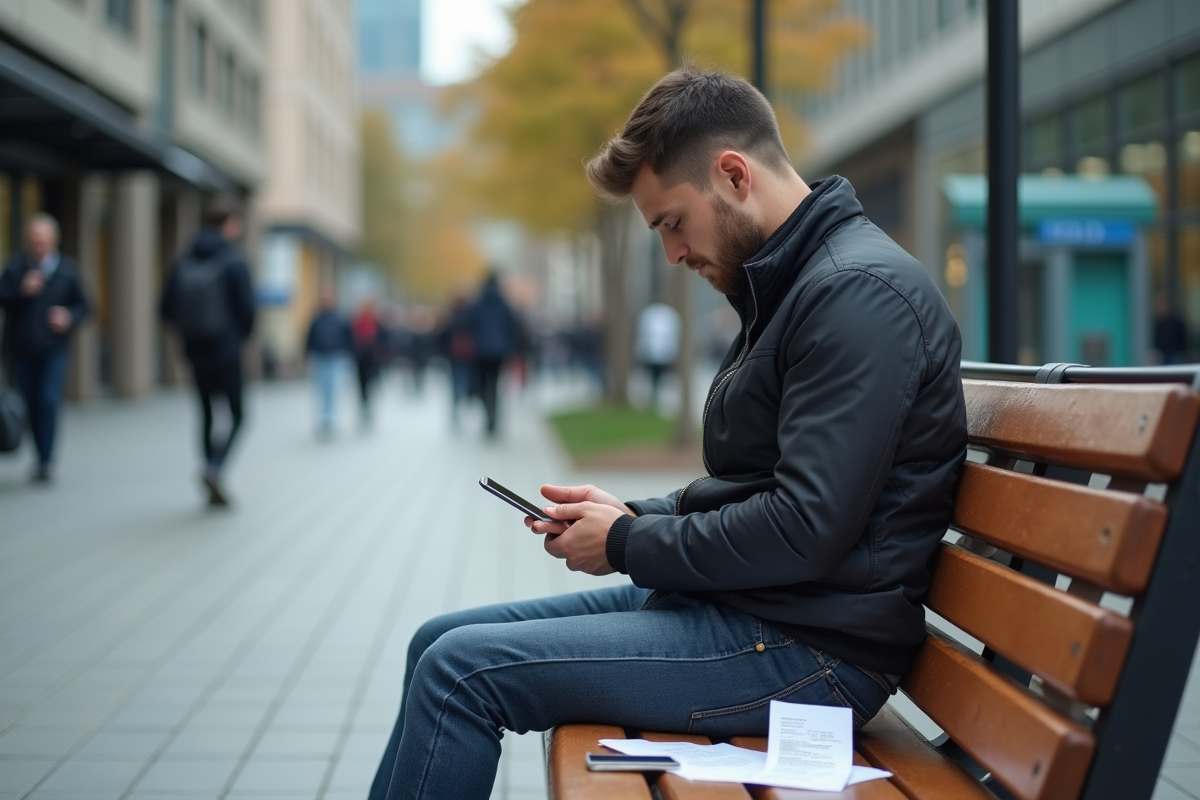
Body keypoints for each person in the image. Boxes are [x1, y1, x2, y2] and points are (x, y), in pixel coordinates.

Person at [368, 68, 967, 800]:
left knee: (459, 675)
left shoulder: (854, 295)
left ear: (734, 174)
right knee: (436, 642)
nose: (673, 255)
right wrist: (632, 516)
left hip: (811, 656)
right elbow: (763, 488)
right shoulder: (792, 286)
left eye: (672, 223)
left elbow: (806, 526)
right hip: (760, 614)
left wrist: (624, 544)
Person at [160, 195, 256, 507]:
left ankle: (207, 469)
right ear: (229, 224)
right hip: (226, 352)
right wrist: (238, 336)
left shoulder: (184, 259)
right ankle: (215, 468)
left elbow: (165, 308)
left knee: (206, 414)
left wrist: (189, 334)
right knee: (238, 414)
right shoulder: (234, 260)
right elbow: (248, 310)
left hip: (195, 351)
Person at [0, 214, 90, 482]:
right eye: (34, 241)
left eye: (43, 241)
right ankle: (39, 453)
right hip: (21, 348)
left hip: (53, 349)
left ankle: (46, 460)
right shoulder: (16, 268)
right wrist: (20, 290)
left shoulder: (67, 271)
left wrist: (68, 317)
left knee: (48, 400)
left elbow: (85, 307)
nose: (38, 246)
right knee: (30, 401)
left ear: (54, 241)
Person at [465, 272, 521, 438]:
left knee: (482, 385)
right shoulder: (504, 304)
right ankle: (493, 415)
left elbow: (469, 324)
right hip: (500, 351)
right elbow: (511, 326)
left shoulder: (477, 303)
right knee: (494, 385)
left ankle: (488, 414)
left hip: (480, 351)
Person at [304, 285, 353, 435]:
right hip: (320, 357)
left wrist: (349, 354)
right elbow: (309, 337)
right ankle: (322, 416)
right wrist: (307, 354)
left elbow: (348, 338)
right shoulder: (317, 318)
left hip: (336, 356)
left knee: (333, 387)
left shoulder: (340, 318)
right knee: (321, 387)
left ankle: (331, 417)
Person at [634, 300, 680, 410]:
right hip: (652, 355)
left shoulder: (667, 315)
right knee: (651, 377)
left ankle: (655, 397)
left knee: (658, 378)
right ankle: (651, 398)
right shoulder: (653, 314)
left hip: (661, 355)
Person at [351, 299, 384, 424]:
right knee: (362, 383)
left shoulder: (376, 322)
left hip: (373, 358)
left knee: (372, 383)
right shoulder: (357, 322)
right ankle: (364, 404)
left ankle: (369, 404)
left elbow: (382, 338)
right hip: (361, 358)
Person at [1153, 294, 1188, 365]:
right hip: (1162, 356)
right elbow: (1157, 339)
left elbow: (1182, 338)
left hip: (1175, 355)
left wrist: (1180, 352)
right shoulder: (1159, 322)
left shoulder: (1176, 321)